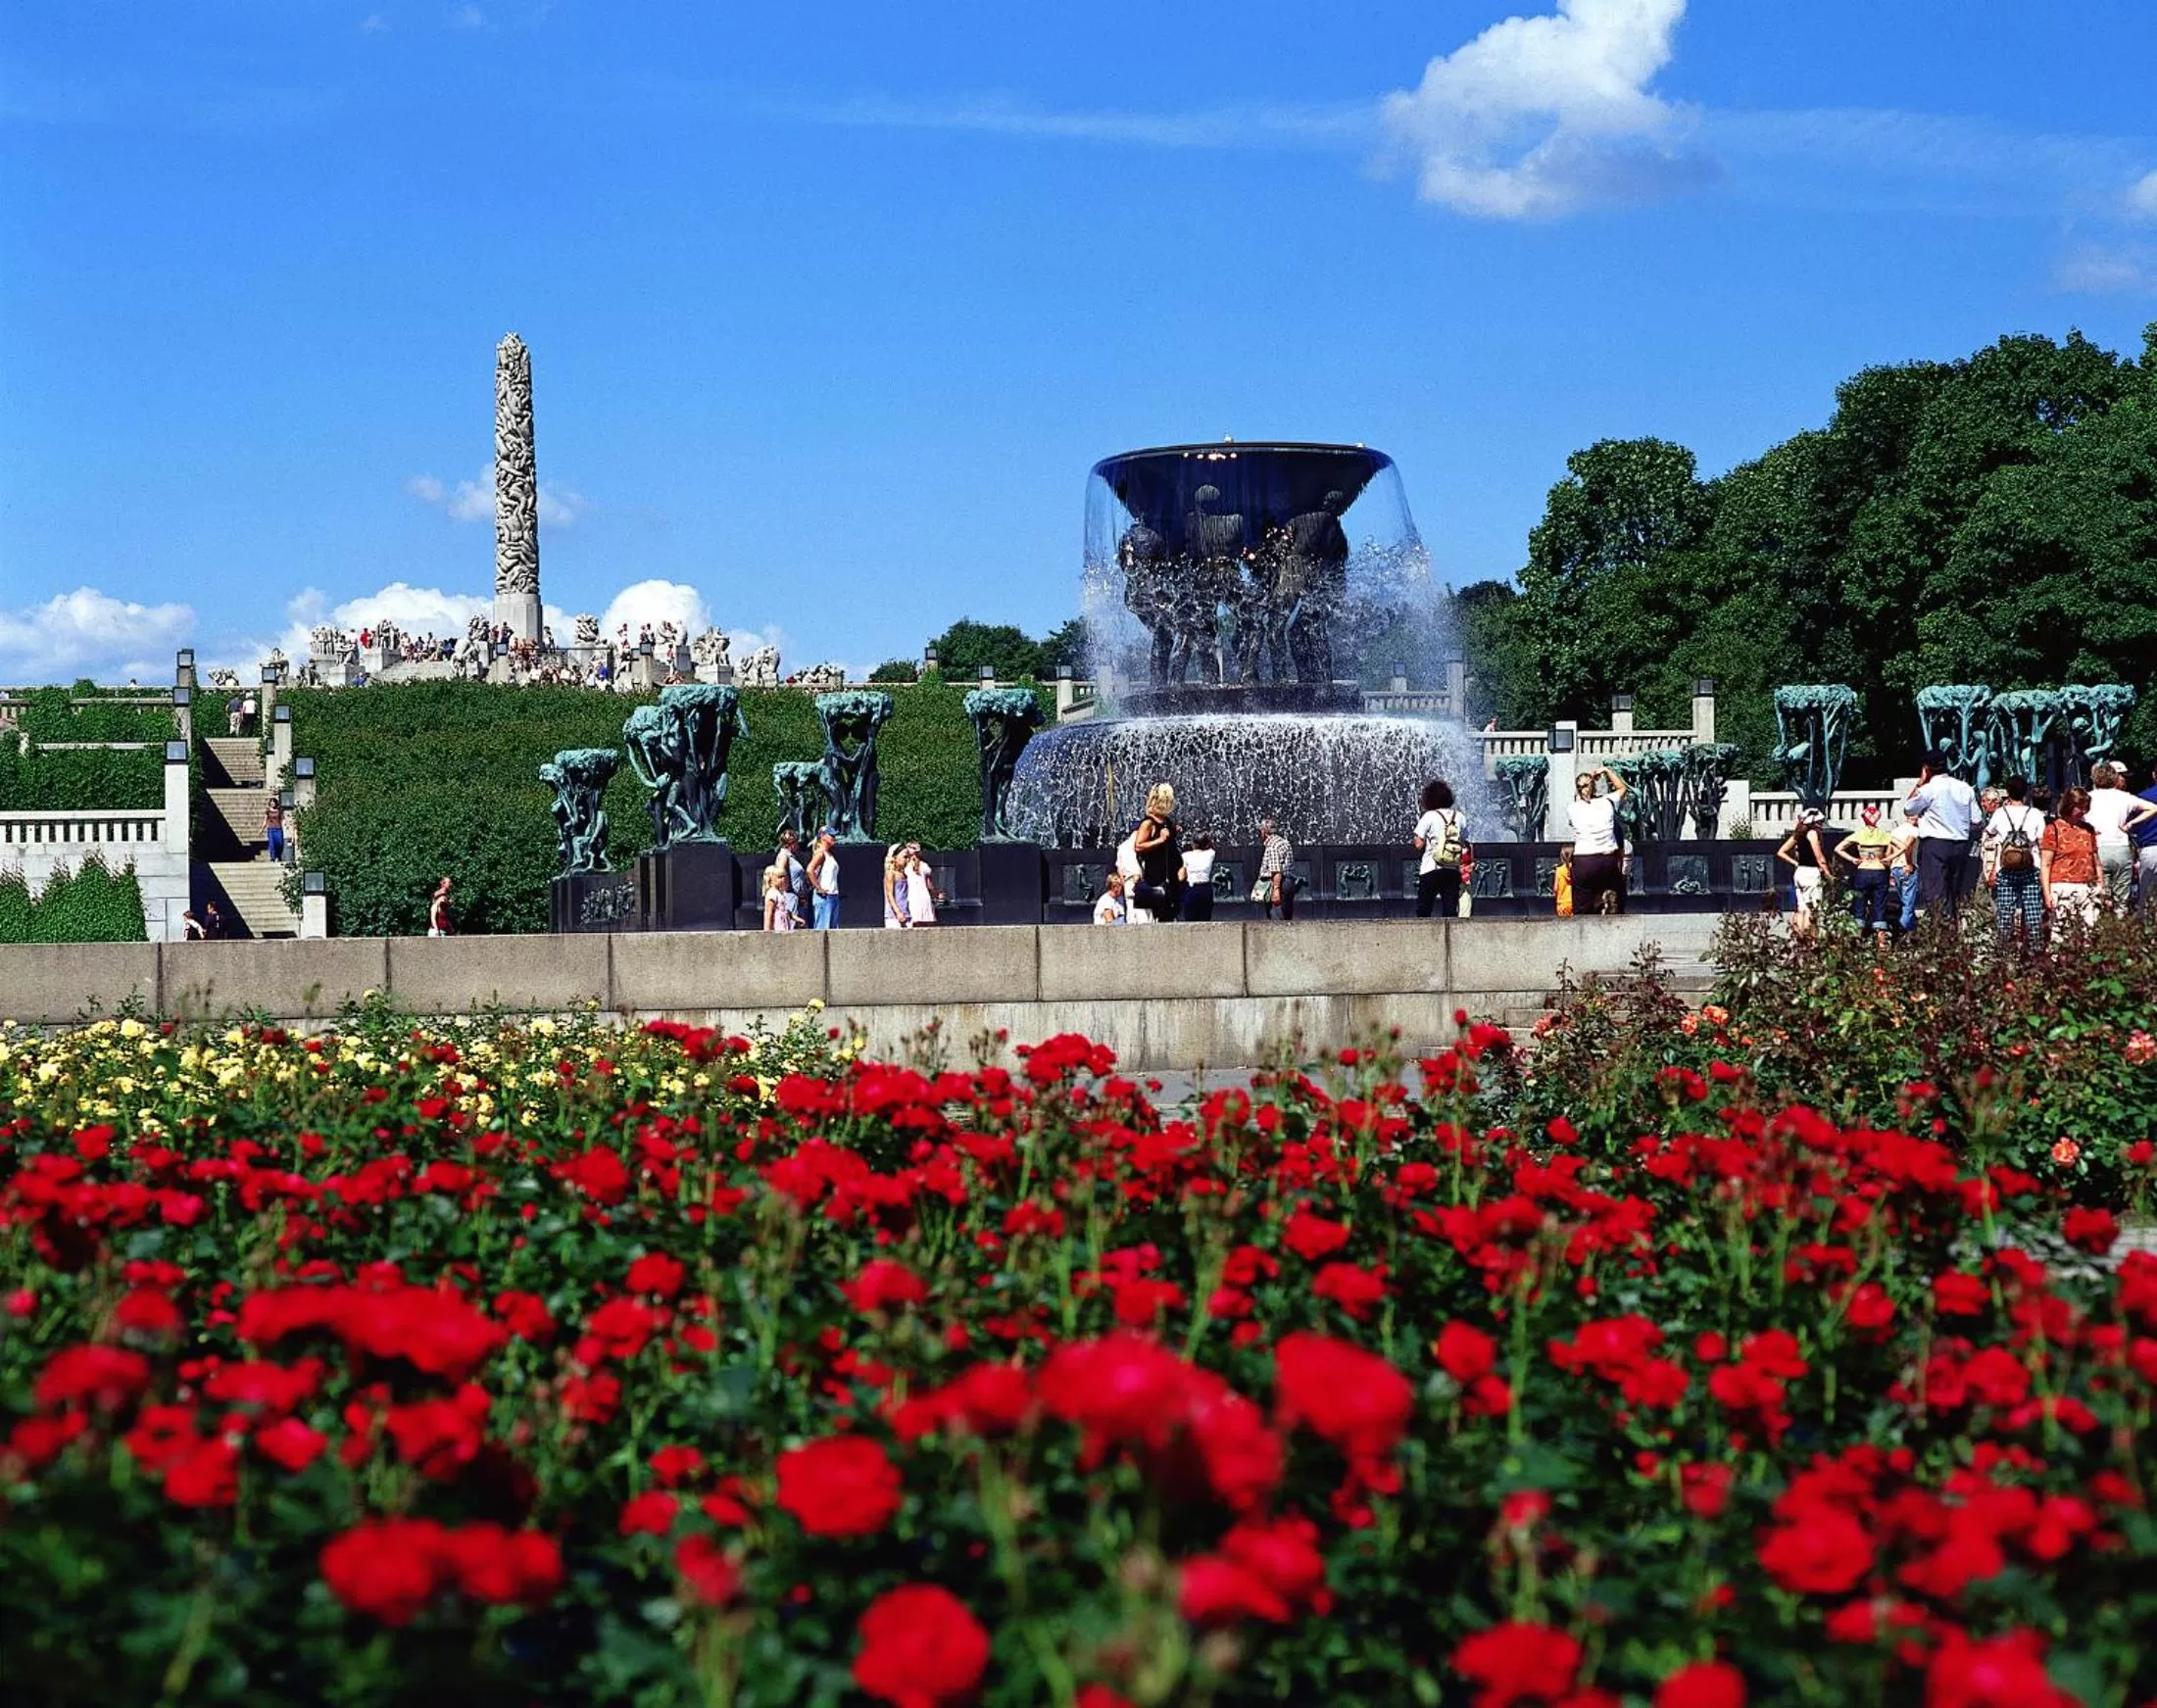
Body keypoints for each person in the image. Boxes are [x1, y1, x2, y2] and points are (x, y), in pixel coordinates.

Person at [1906, 752, 1982, 918]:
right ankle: (1952, 929)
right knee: (1954, 892)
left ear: (1926, 768)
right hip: (1961, 844)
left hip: (1935, 844)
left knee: (1935, 893)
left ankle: (1940, 931)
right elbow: (1976, 819)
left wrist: (1920, 782)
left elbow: (1908, 808)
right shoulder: (1964, 787)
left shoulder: (1928, 789)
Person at [2084, 762, 2157, 910]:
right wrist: (2129, 824)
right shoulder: (2125, 797)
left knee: (2099, 896)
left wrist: (2090, 829)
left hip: (2097, 849)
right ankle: (2120, 928)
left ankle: (2101, 928)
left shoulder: (2087, 797)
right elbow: (2153, 808)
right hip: (2121, 848)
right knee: (2122, 901)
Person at [1984, 775, 2045, 947]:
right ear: (2026, 792)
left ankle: (2004, 949)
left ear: (2007, 792)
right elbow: (2041, 842)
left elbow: (1989, 832)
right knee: (2033, 909)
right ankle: (2035, 947)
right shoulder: (2035, 814)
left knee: (2005, 910)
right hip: (2031, 867)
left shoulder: (1999, 813)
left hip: (2005, 867)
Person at [1567, 766, 1629, 915]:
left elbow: (1579, 806)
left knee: (1583, 907)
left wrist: (1583, 791)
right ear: (1594, 786)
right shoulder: (1607, 801)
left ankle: (1583, 931)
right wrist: (1606, 771)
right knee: (1615, 897)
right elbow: (1622, 788)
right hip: (1607, 860)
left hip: (1584, 862)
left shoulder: (1572, 808)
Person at [2040, 788, 2101, 933]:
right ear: (2069, 805)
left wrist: (2100, 887)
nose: (2082, 811)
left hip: (2087, 886)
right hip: (2061, 887)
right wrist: (2047, 894)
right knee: (2061, 933)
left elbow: (2096, 861)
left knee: (2089, 933)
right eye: (2079, 806)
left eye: (2085, 807)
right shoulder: (2053, 828)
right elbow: (2046, 864)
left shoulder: (2088, 829)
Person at [1833, 804, 1894, 942]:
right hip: (1879, 870)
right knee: (1880, 904)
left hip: (1863, 871)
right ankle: (1881, 941)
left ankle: (1857, 938)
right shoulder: (1883, 835)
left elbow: (1838, 848)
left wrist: (1853, 859)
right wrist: (1887, 858)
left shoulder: (1859, 834)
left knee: (1859, 904)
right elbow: (1903, 846)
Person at [1413, 778, 1468, 919]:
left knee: (1424, 909)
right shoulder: (1460, 817)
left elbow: (1418, 844)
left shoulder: (1429, 816)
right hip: (1452, 869)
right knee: (1450, 910)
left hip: (1431, 867)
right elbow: (1464, 842)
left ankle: (1425, 938)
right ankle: (1450, 939)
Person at [1132, 783, 1183, 923]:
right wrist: (1160, 840)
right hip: (1157, 878)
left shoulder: (1166, 821)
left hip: (1171, 877)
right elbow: (1138, 846)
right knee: (1163, 915)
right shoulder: (1149, 823)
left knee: (1171, 914)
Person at [1776, 808, 1831, 939]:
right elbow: (1819, 856)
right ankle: (1810, 940)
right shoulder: (1812, 834)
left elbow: (1781, 852)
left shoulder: (1798, 834)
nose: (1821, 825)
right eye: (1819, 822)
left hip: (1800, 872)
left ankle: (1800, 938)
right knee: (1812, 908)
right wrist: (1828, 873)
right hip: (1811, 873)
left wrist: (1796, 863)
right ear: (1814, 823)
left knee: (1801, 908)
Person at [1255, 816, 1298, 920]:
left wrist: (1276, 890)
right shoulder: (1283, 842)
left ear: (1263, 831)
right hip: (1288, 883)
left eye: (1259, 831)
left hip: (1277, 883)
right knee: (1286, 918)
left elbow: (1276, 870)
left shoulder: (1273, 846)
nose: (1258, 834)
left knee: (1276, 919)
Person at [807, 828, 842, 930]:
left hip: (832, 895)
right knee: (822, 930)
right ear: (823, 837)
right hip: (824, 897)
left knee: (832, 929)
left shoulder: (828, 854)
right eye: (831, 835)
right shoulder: (820, 853)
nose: (834, 838)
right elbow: (810, 870)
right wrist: (818, 888)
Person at [777, 829, 812, 926]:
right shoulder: (784, 855)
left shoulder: (792, 856)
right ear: (792, 843)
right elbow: (780, 871)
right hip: (791, 897)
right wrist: (786, 888)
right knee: (791, 926)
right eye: (796, 842)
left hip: (798, 897)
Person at [2136, 760, 2157, 919]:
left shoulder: (2143, 798)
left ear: (2154, 775)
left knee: (2147, 898)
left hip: (2150, 849)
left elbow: (2134, 828)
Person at [1181, 832, 1216, 921]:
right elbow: (1212, 845)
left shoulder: (1185, 855)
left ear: (1193, 843)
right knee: (1205, 919)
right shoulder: (1211, 854)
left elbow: (1181, 877)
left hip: (1191, 888)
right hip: (1205, 888)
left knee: (1190, 920)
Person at [905, 845, 942, 926]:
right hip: (924, 897)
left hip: (912, 898)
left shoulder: (905, 866)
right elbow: (930, 885)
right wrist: (936, 894)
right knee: (927, 923)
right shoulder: (924, 866)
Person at [761, 864, 798, 931]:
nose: (784, 879)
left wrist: (794, 917)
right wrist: (767, 931)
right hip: (777, 926)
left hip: (784, 925)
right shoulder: (772, 894)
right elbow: (769, 913)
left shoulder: (780, 893)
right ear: (771, 879)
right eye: (780, 877)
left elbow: (785, 910)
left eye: (785, 876)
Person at [882, 845, 911, 928]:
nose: (907, 860)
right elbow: (890, 895)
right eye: (905, 857)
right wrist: (898, 912)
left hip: (906, 913)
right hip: (894, 916)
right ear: (895, 857)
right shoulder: (890, 874)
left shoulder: (904, 875)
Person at [1552, 848, 1574, 917]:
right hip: (1575, 902)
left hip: (1562, 903)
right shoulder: (1577, 869)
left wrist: (1556, 895)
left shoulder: (1559, 870)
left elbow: (1555, 888)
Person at [263, 796, 285, 864]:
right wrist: (262, 829)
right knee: (272, 844)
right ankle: (273, 857)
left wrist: (285, 825)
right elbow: (265, 820)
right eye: (271, 802)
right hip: (271, 829)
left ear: (276, 803)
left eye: (274, 802)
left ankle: (278, 855)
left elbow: (282, 819)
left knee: (280, 843)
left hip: (278, 829)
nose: (273, 804)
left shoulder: (279, 811)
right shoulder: (268, 811)